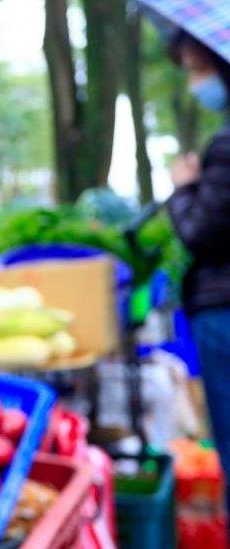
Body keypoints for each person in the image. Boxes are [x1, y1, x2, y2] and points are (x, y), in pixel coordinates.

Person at [167, 30, 230, 510]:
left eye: (196, 68)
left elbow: (201, 233)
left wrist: (185, 187)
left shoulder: (226, 145)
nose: (194, 81)